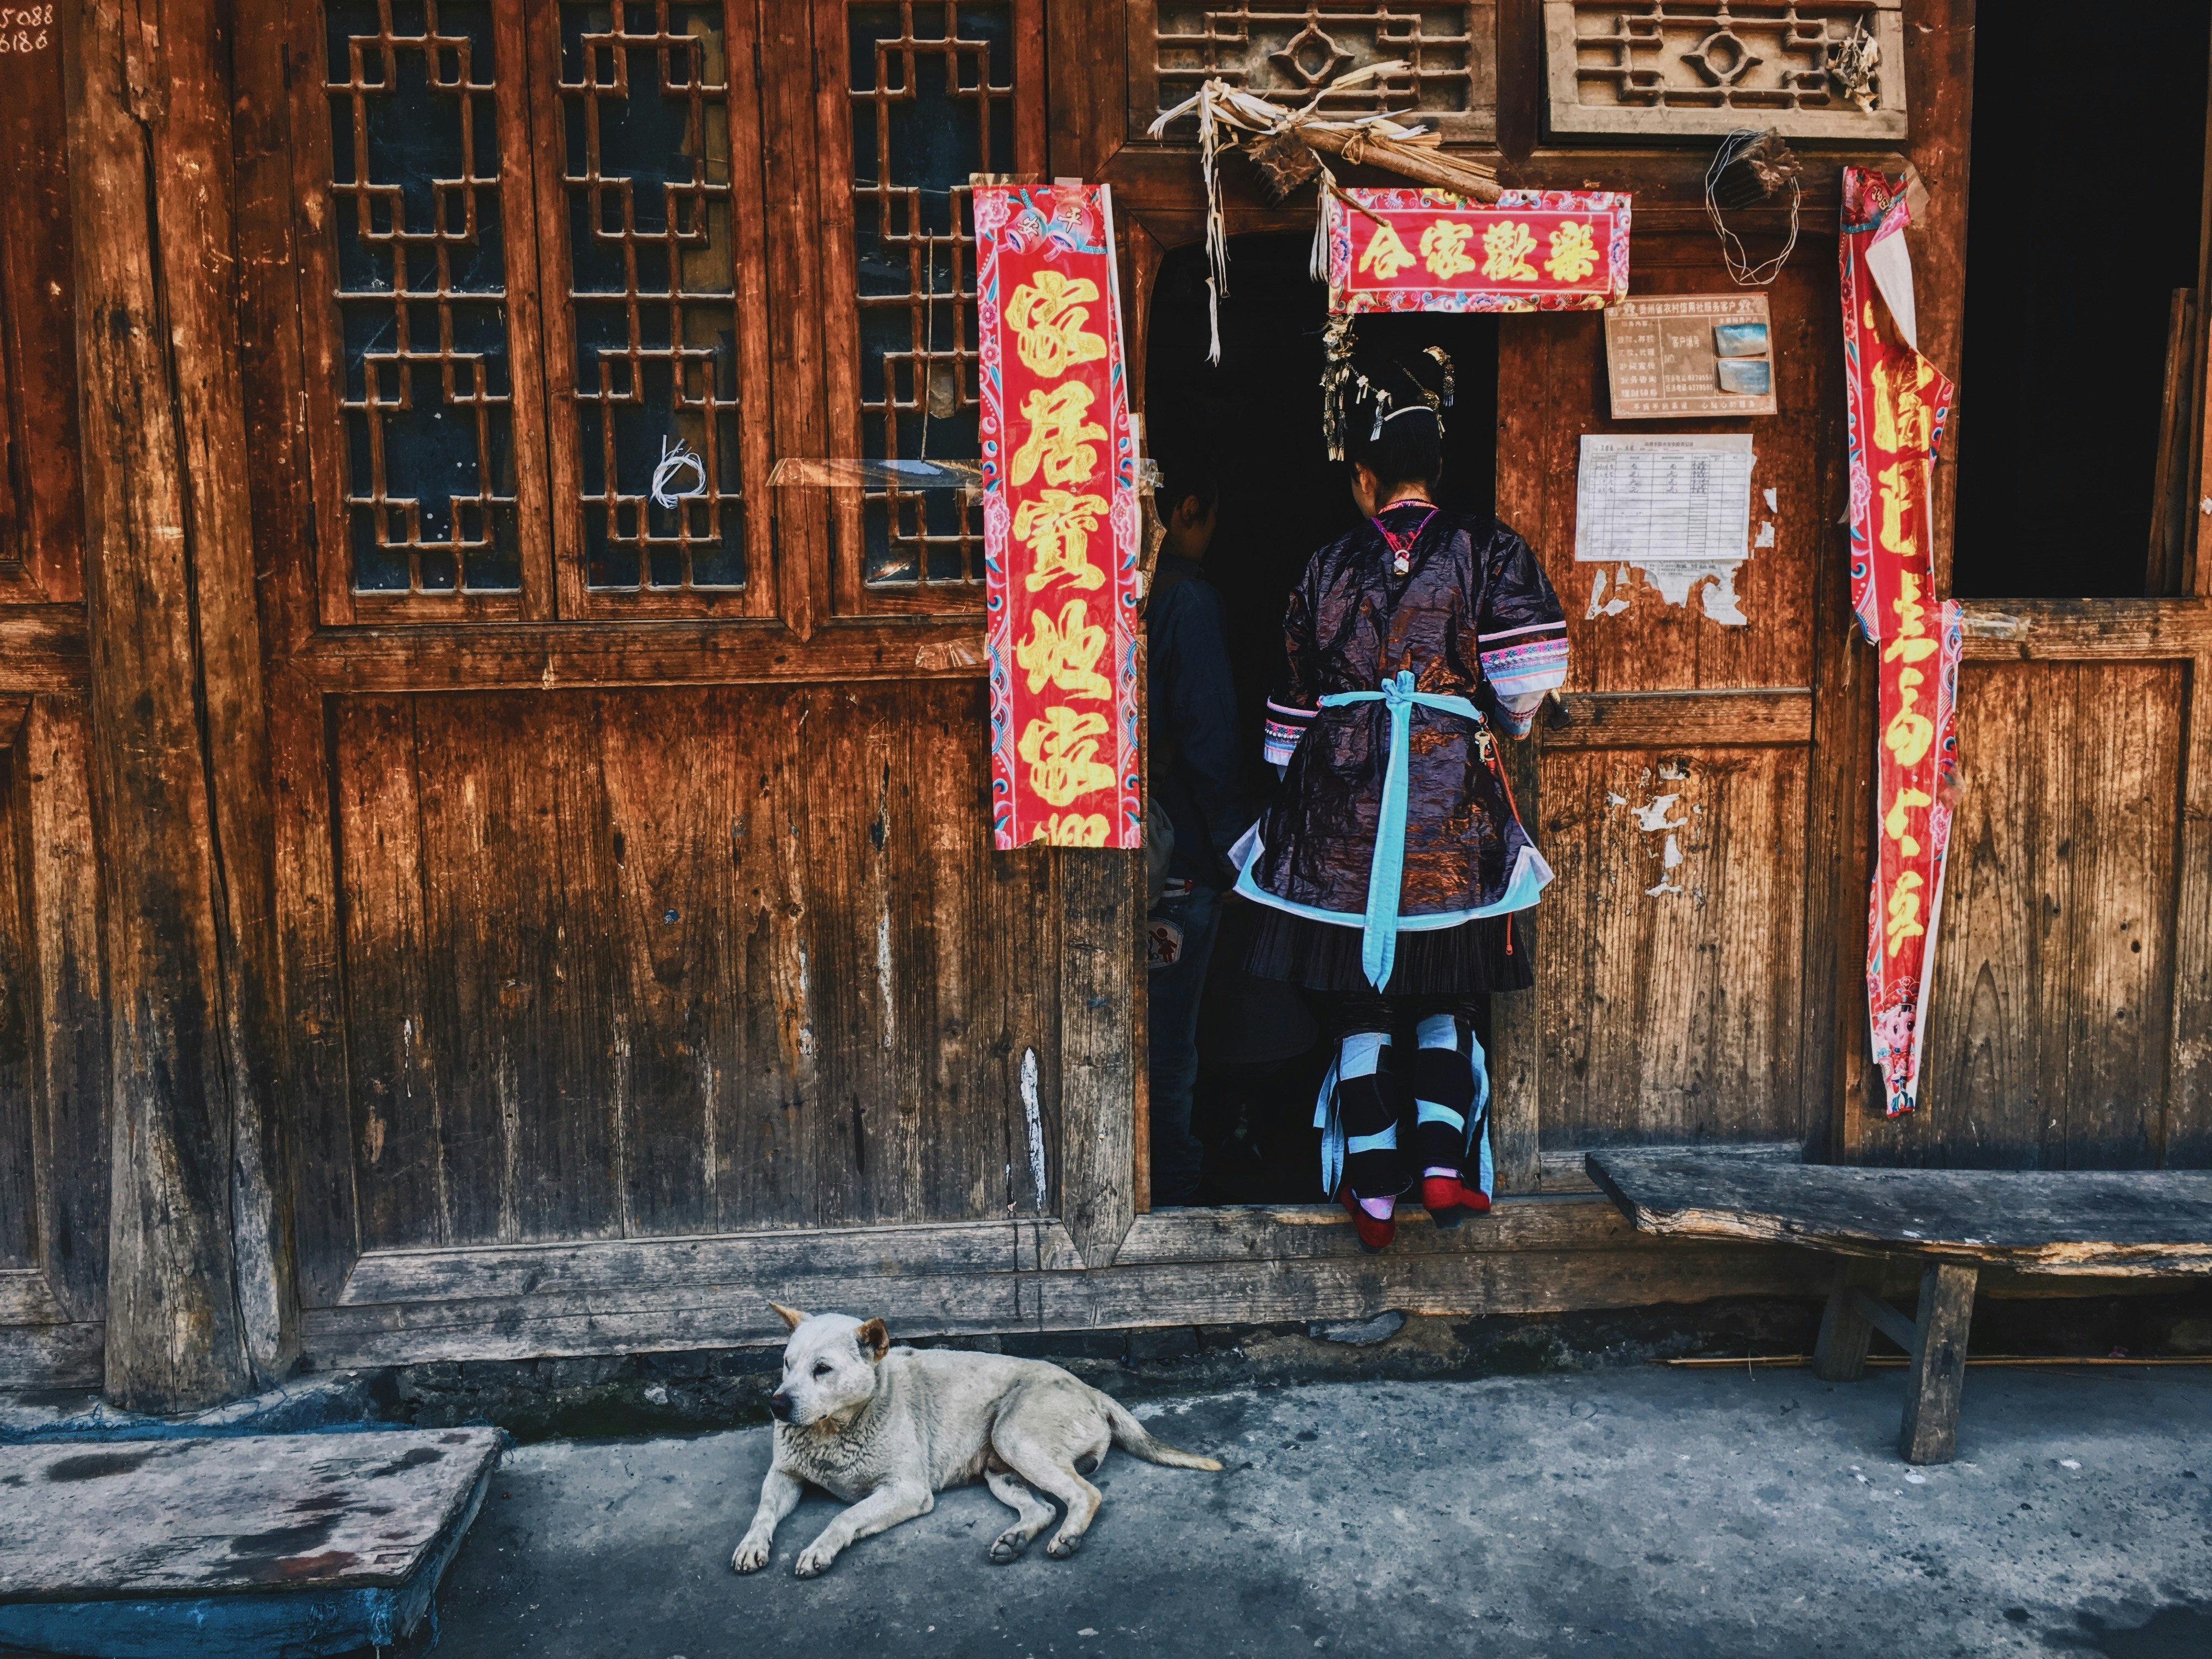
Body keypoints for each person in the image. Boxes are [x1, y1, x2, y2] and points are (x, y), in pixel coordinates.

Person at [1231, 347, 1567, 1251]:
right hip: (1450, 810)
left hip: (1339, 817)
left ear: (1363, 478)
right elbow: (1531, 669)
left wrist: (1300, 778)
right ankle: (1447, 1166)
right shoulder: (1489, 548)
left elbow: (1287, 708)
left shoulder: (1324, 564)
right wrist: (1500, 719)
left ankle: (1374, 1185)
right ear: (1436, 473)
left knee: (1359, 1006)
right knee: (1446, 995)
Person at [1144, 445, 1254, 1206]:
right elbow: (1211, 736)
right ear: (1188, 511)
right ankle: (1172, 1189)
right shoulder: (1187, 600)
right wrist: (1238, 848)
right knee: (1172, 1039)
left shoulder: (1126, 597)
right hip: (1180, 850)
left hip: (1136, 842)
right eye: (1210, 518)